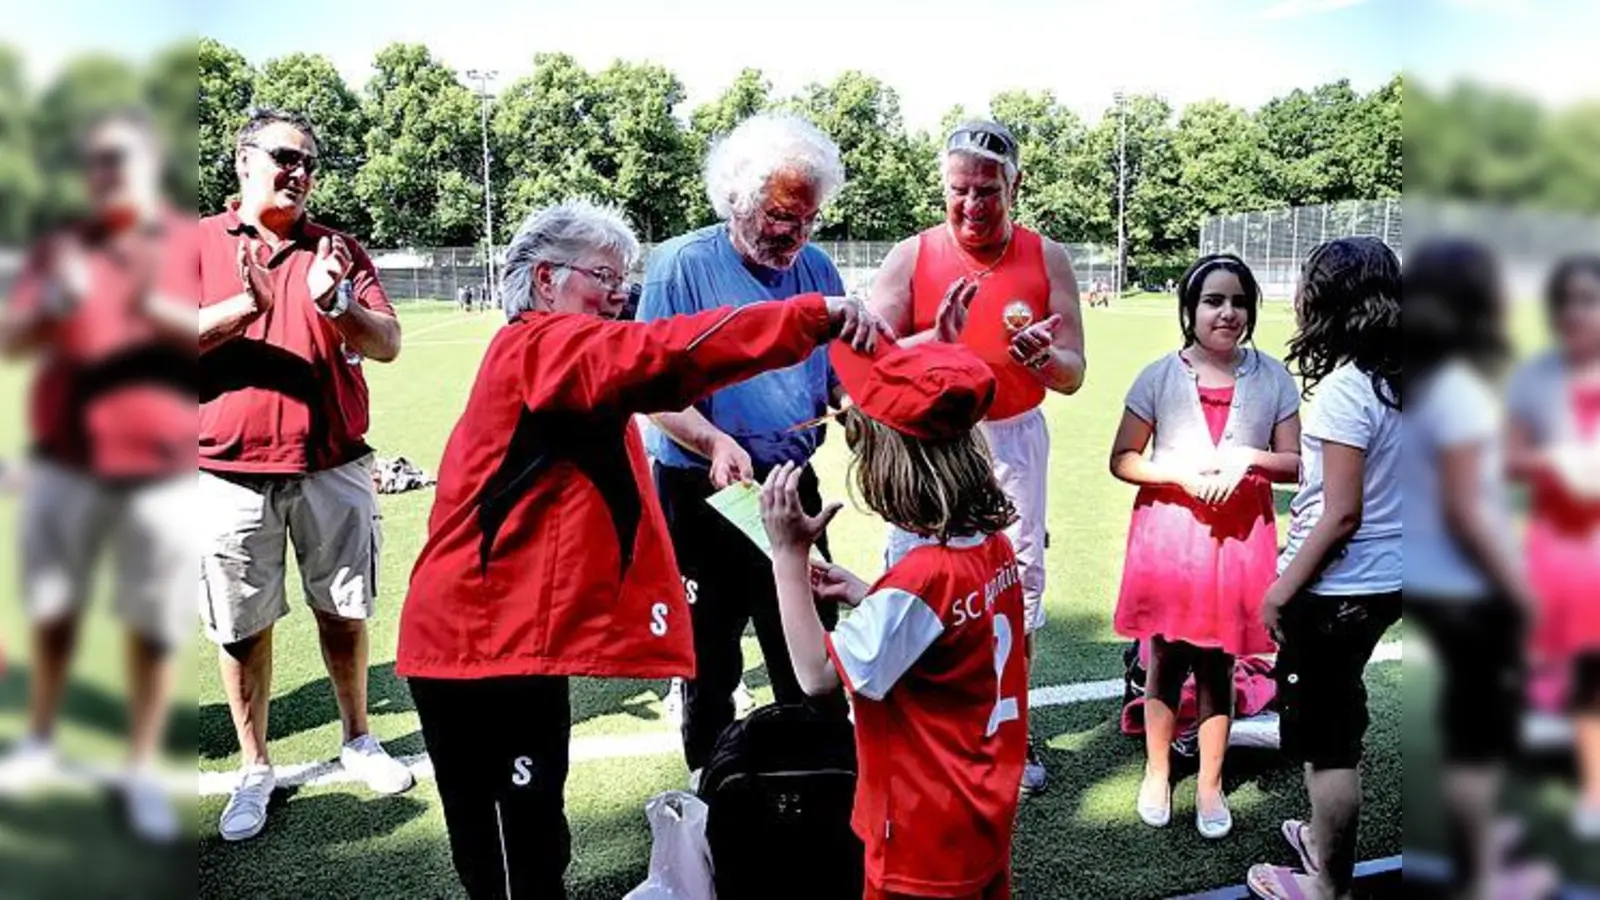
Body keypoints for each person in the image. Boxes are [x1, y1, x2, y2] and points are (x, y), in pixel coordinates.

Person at [395, 199, 886, 900]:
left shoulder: (565, 363)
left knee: (538, 837)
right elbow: (665, 354)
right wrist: (813, 316)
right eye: (605, 276)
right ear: (544, 281)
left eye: (625, 279)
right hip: (477, 651)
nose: (622, 294)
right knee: (511, 859)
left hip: (515, 644)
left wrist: (778, 547)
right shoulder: (539, 346)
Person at [197, 107, 410, 843]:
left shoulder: (338, 248)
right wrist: (242, 307)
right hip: (228, 473)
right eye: (285, 156)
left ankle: (357, 738)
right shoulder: (192, 243)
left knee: (344, 611)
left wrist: (337, 302)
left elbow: (386, 343)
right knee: (242, 625)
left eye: (310, 162)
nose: (299, 171)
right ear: (244, 160)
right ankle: (255, 766)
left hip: (334, 464)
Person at [760, 337, 1028, 900]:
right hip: (983, 807)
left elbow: (818, 678)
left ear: (891, 467)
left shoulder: (923, 577)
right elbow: (951, 633)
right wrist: (868, 593)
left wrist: (787, 557)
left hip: (920, 829)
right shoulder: (992, 546)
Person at [867, 119, 1086, 794]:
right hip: (931, 443)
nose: (971, 204)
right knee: (916, 578)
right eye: (959, 190)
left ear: (1014, 186)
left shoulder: (1046, 257)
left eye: (986, 190)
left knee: (1015, 590)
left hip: (1015, 437)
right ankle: (912, 733)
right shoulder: (910, 256)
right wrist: (935, 342)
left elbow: (1075, 372)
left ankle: (1006, 740)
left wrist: (1044, 359)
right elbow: (874, 363)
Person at [640, 112, 853, 782]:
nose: (796, 233)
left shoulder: (816, 267)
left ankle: (821, 797)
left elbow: (838, 374)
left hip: (791, 485)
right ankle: (712, 799)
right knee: (708, 663)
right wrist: (711, 439)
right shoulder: (678, 267)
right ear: (735, 196)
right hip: (703, 493)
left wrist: (857, 411)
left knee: (808, 657)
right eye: (781, 213)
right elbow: (648, 387)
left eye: (810, 216)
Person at [0, 108, 194, 842]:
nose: (112, 174)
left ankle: (142, 768)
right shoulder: (59, 249)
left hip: (156, 468)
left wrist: (146, 309)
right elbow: (12, 341)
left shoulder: (180, 244)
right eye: (101, 162)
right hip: (65, 463)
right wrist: (55, 306)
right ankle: (41, 741)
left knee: (149, 624)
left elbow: (204, 335)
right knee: (54, 610)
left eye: (126, 160)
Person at [1110, 254, 1301, 839]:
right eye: (1214, 301)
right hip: (1171, 537)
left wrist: (1248, 459)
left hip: (1240, 539)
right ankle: (1159, 771)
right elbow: (1123, 460)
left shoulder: (1273, 378)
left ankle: (1212, 784)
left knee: (1220, 662)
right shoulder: (1158, 376)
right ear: (1189, 309)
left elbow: (1296, 464)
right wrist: (1182, 477)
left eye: (1239, 301)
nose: (1228, 313)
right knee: (1164, 657)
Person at [1245, 237, 1403, 900]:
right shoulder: (1408, 381)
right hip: (1391, 579)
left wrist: (1282, 590)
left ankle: (1328, 886)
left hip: (1338, 588)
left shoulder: (1347, 389)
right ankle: (1320, 837)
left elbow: (1341, 514)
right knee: (1337, 716)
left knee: (1327, 744)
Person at [1403, 239, 1558, 898]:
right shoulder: (1460, 388)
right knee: (1476, 735)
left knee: (1465, 726)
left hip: (1431, 577)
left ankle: (1480, 847)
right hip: (1466, 584)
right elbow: (1471, 509)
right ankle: (1481, 871)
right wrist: (1523, 590)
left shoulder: (1416, 376)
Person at [1508, 254, 1600, 842]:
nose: (1576, 314)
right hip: (1558, 542)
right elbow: (1510, 458)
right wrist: (1553, 464)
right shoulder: (1538, 376)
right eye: (1566, 302)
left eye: (1588, 300)